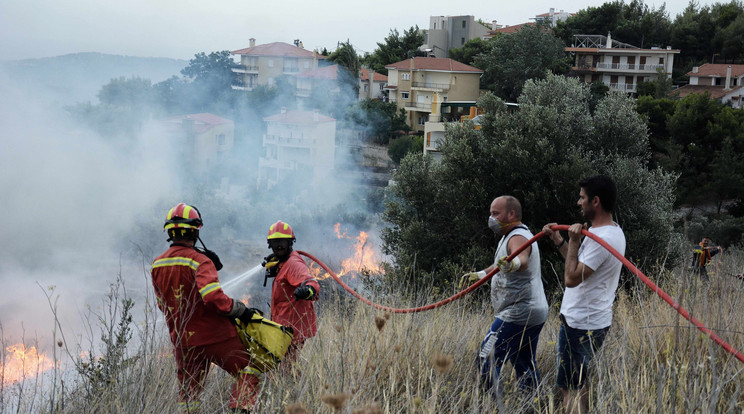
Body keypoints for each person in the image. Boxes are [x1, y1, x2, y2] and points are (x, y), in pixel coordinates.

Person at [151, 203, 261, 413]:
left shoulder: (157, 264)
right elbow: (212, 297)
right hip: (215, 336)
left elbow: (161, 304)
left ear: (170, 232)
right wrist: (238, 309)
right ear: (195, 230)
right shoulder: (200, 261)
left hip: (183, 341)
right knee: (248, 370)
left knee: (189, 394)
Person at [542, 175, 626, 414]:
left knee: (569, 387)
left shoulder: (603, 238)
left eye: (582, 198)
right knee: (579, 381)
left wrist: (575, 241)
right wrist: (560, 240)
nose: (578, 202)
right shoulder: (610, 232)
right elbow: (580, 266)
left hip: (581, 322)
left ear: (595, 201)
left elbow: (571, 278)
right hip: (592, 320)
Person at [459, 196, 549, 396]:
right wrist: (481, 275)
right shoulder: (510, 235)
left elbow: (521, 259)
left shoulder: (518, 236)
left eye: (495, 214)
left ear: (511, 214)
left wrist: (514, 264)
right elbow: (501, 263)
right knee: (523, 361)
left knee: (486, 356)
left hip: (518, 311)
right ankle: (532, 405)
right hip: (534, 310)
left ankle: (494, 405)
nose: (491, 218)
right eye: (491, 213)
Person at [263, 220, 320, 364]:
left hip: (292, 329)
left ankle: (294, 386)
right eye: (275, 243)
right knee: (285, 367)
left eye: (282, 241)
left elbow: (311, 281)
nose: (279, 246)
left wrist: (309, 290)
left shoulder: (293, 264)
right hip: (284, 326)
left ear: (290, 242)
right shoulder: (284, 262)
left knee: (285, 368)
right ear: (270, 245)